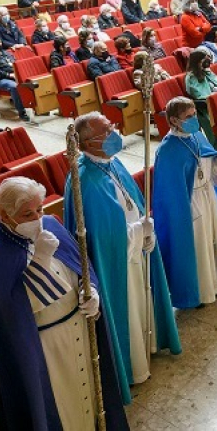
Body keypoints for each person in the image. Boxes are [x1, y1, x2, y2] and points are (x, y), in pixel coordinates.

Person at [0, 177, 129, 430]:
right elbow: (9, 314)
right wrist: (40, 260)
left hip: (78, 325)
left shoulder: (50, 225)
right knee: (62, 406)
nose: (37, 217)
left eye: (39, 209)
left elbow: (81, 266)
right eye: (27, 214)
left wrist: (91, 292)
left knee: (89, 392)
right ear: (3, 215)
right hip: (45, 346)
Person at [63, 113, 182, 395]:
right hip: (118, 262)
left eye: (112, 126)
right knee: (127, 308)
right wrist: (140, 231)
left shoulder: (110, 163)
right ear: (90, 143)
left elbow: (132, 202)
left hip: (136, 250)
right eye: (107, 130)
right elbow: (102, 239)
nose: (115, 133)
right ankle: (133, 364)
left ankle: (148, 345)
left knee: (143, 302)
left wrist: (145, 233)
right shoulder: (84, 182)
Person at [153, 96, 217, 309]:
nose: (194, 119)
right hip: (189, 205)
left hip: (207, 196)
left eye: (195, 114)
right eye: (188, 116)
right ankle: (196, 292)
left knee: (211, 241)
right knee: (196, 247)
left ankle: (212, 286)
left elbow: (212, 169)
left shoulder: (197, 136)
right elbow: (168, 193)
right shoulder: (167, 150)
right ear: (174, 121)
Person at [0, 36, 31, 122]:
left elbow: (15, 63)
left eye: (0, 42)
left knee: (30, 82)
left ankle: (36, 107)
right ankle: (22, 112)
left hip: (15, 75)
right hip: (1, 79)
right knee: (14, 87)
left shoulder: (6, 52)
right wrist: (9, 75)